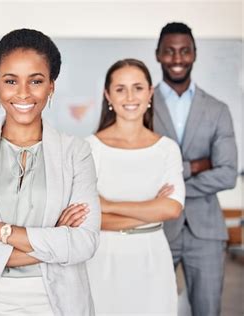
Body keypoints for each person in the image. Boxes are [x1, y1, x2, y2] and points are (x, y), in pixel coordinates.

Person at [0, 28, 101, 315]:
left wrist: (0, 232)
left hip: (57, 303)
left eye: (36, 81)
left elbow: (83, 243)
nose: (24, 93)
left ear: (51, 86)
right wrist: (53, 239)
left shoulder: (75, 152)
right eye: (11, 81)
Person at [86, 58, 185, 315]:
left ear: (150, 92)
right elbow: (86, 219)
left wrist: (108, 206)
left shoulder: (167, 149)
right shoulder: (89, 148)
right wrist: (151, 209)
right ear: (108, 95)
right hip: (103, 259)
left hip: (152, 258)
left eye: (138, 87)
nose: (130, 96)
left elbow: (172, 209)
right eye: (120, 89)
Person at [154, 22, 238, 316]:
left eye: (184, 51)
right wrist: (198, 165)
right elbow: (139, 170)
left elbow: (228, 174)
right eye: (170, 51)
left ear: (194, 54)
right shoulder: (140, 106)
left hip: (207, 234)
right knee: (149, 308)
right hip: (155, 231)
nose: (177, 59)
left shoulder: (218, 110)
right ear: (158, 54)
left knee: (207, 311)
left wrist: (172, 183)